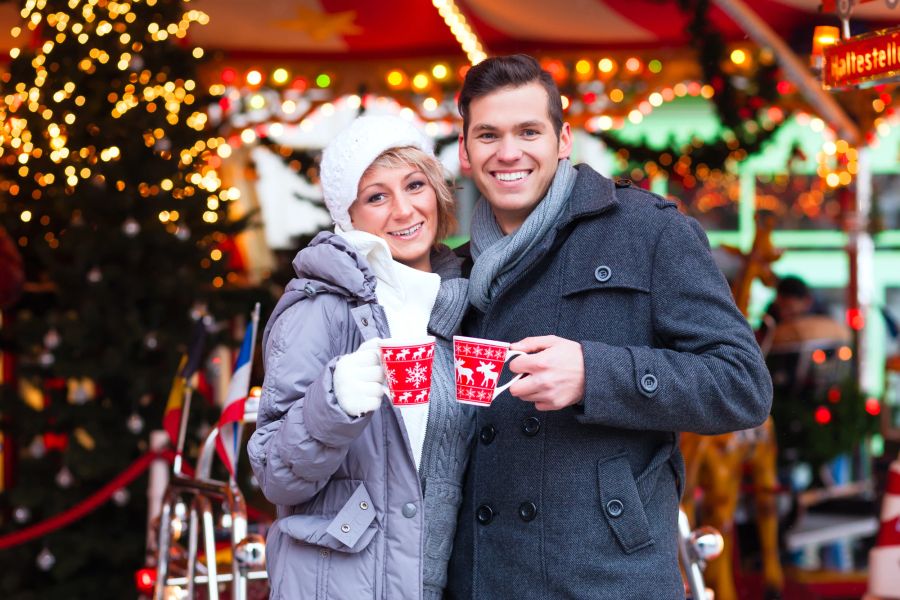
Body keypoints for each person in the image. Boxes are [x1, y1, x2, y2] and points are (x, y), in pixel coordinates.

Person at [445, 54, 773, 599]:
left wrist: (595, 375)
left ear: (563, 139)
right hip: (481, 577)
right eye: (487, 135)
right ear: (464, 150)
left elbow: (742, 384)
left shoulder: (647, 231)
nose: (508, 153)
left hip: (606, 576)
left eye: (529, 131)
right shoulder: (452, 272)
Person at [248, 115, 473, 599]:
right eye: (376, 196)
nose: (403, 209)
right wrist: (331, 405)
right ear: (348, 215)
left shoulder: (460, 302)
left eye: (415, 185)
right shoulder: (320, 309)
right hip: (344, 580)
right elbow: (273, 474)